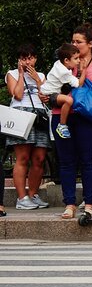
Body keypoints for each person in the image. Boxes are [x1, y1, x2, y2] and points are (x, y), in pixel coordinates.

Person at [50, 25, 92, 220]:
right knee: (66, 161)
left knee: (88, 160)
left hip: (88, 119)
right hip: (61, 115)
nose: (74, 44)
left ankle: (89, 204)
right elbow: (50, 87)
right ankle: (69, 204)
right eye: (73, 41)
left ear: (90, 44)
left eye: (78, 41)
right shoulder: (63, 63)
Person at [5, 44, 50, 210]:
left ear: (35, 58)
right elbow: (17, 94)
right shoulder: (12, 74)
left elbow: (45, 95)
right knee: (22, 157)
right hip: (20, 114)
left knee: (39, 158)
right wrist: (22, 74)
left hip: (39, 115)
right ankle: (22, 198)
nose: (27, 61)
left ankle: (32, 195)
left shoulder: (41, 75)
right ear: (19, 60)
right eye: (24, 58)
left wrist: (38, 80)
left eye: (30, 57)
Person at [41, 43, 80, 140]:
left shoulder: (59, 63)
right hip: (50, 94)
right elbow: (77, 84)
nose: (78, 61)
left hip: (52, 92)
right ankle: (62, 125)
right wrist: (83, 71)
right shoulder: (64, 72)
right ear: (66, 60)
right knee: (69, 100)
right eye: (76, 59)